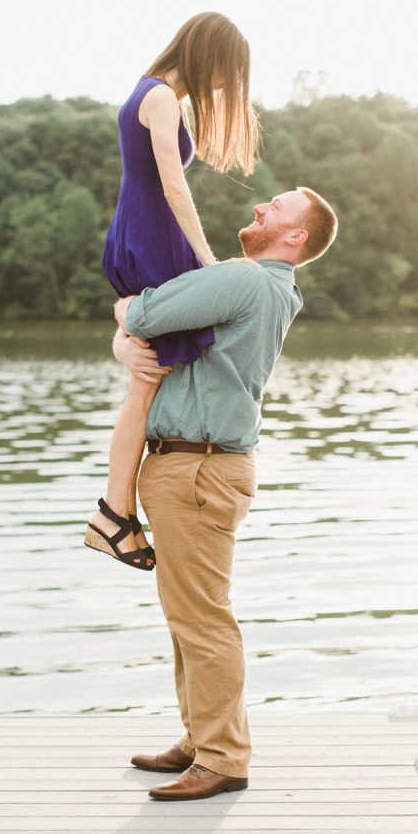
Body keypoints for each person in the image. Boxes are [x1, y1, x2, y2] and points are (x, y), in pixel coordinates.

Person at [112, 186, 339, 801]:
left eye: (277, 206)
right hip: (196, 467)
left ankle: (223, 758)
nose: (261, 206)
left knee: (203, 617)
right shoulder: (265, 288)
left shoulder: (248, 281)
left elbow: (145, 315)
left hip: (198, 471)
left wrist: (123, 317)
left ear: (296, 236)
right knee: (188, 612)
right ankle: (200, 738)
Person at [85, 11, 261, 572]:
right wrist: (208, 261)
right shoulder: (159, 96)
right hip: (153, 240)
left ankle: (115, 512)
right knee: (145, 385)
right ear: (205, 54)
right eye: (223, 76)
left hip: (146, 235)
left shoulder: (155, 93)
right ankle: (112, 514)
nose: (221, 89)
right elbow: (171, 182)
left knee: (147, 377)